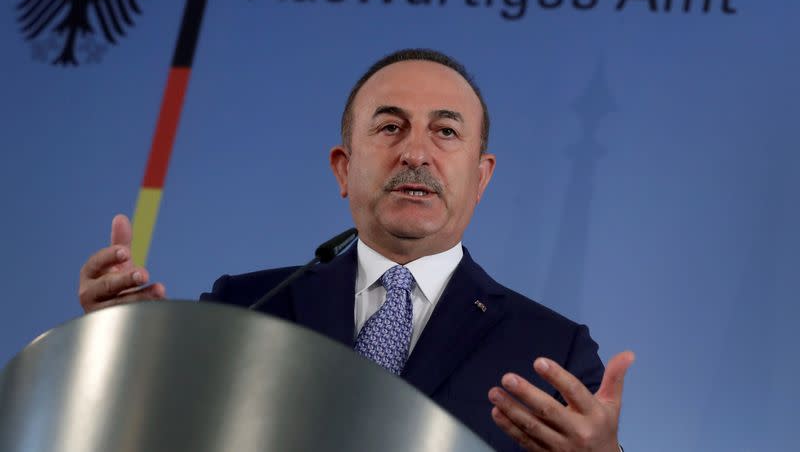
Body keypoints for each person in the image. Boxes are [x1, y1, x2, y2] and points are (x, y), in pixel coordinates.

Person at [78, 49, 634, 451]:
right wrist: (133, 351)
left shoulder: (552, 352)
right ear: (344, 169)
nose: (416, 152)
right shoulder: (244, 309)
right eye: (390, 127)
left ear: (481, 177)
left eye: (445, 132)